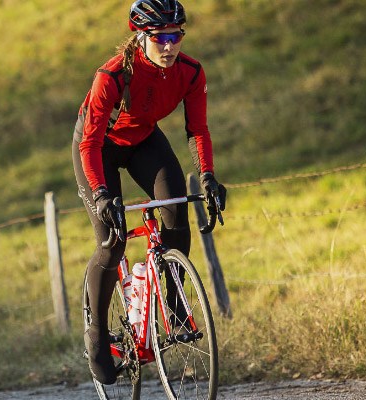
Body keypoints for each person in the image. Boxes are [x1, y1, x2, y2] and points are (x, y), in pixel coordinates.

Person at [72, 0, 225, 385]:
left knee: (175, 211)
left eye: (176, 36)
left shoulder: (190, 73)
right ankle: (96, 336)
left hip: (142, 138)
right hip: (98, 146)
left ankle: (174, 308)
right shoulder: (112, 76)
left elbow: (199, 130)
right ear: (143, 37)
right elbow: (89, 144)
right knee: (113, 240)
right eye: (161, 39)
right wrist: (103, 193)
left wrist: (207, 177)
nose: (170, 47)